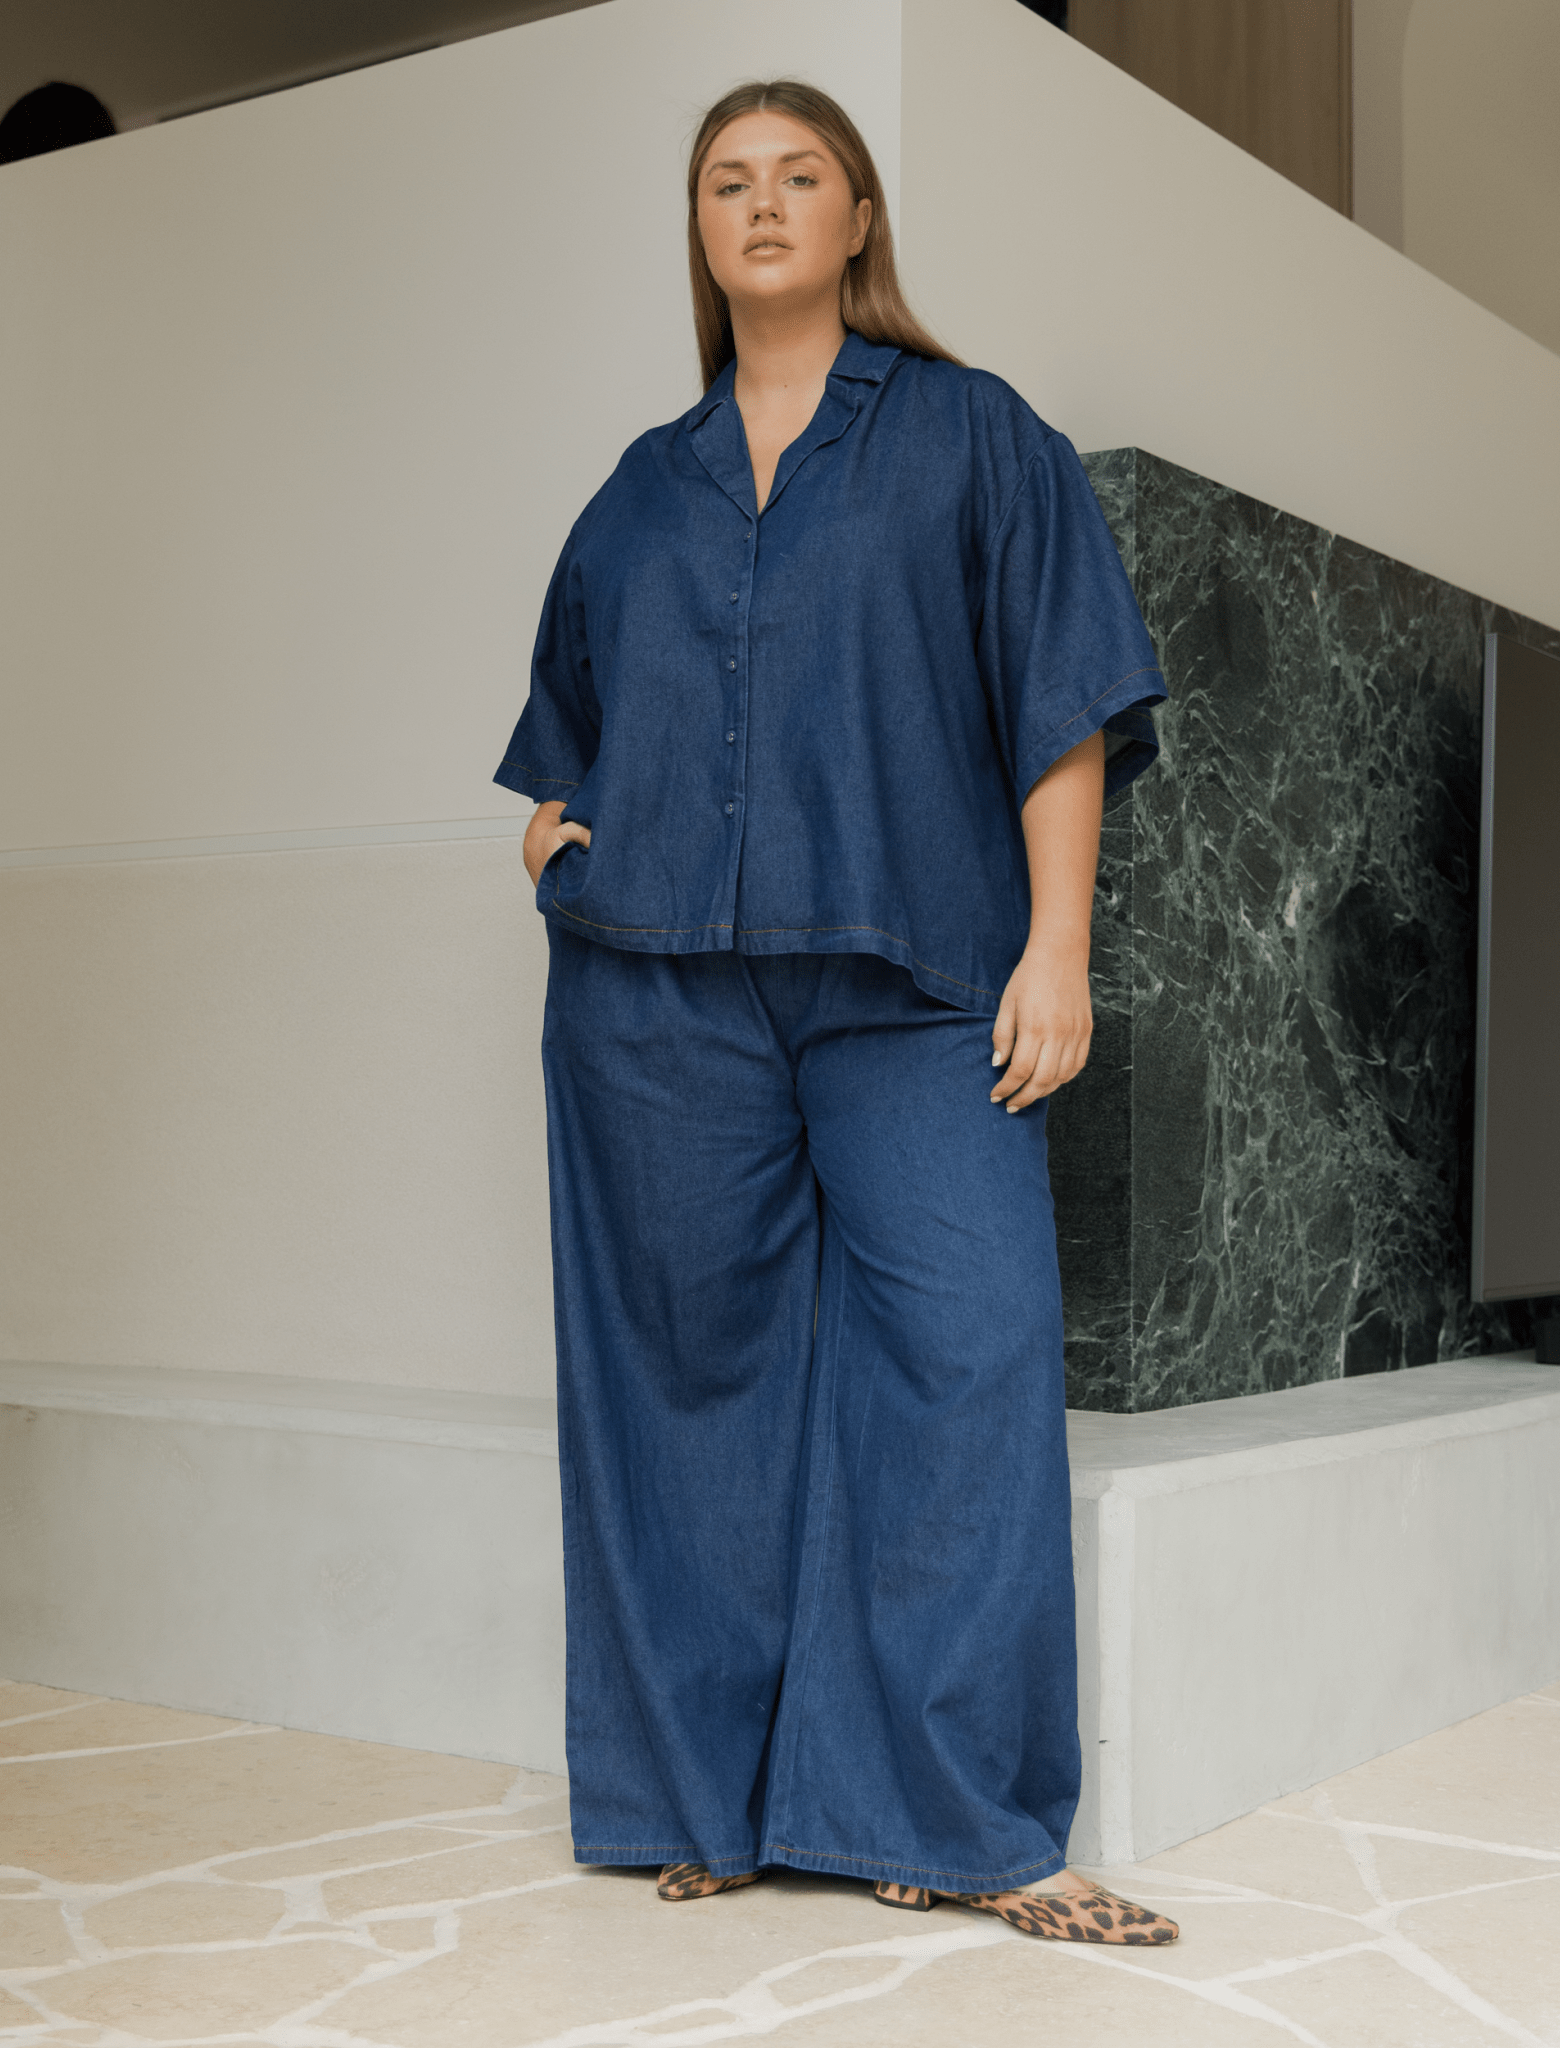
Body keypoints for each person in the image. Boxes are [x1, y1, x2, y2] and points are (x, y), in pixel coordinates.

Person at [494, 78, 1178, 1947]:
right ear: (699, 231)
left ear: (859, 217)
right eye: (728, 180)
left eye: (801, 174)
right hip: (658, 1000)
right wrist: (552, 834)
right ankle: (699, 1798)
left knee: (966, 1360)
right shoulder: (643, 483)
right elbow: (568, 731)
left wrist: (1057, 949)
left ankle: (958, 1823)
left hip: (918, 986)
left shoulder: (973, 435)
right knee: (683, 1382)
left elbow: (1058, 704)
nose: (764, 202)